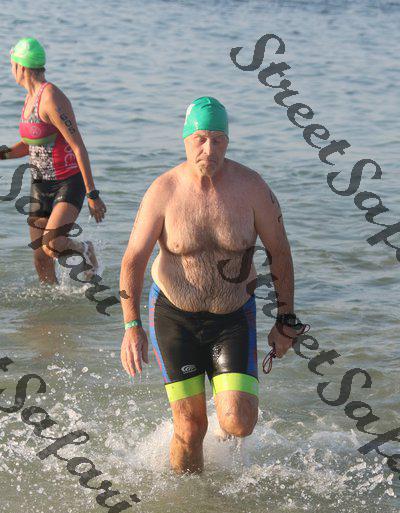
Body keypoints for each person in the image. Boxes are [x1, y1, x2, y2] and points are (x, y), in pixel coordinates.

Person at [120, 96, 302, 474]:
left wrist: (286, 320)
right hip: (174, 317)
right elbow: (132, 261)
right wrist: (131, 326)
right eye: (200, 139)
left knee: (239, 422)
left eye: (218, 140)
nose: (209, 149)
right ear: (186, 140)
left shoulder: (252, 189)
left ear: (228, 142)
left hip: (232, 317)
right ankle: (192, 501)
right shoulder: (164, 191)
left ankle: (221, 424)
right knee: (190, 428)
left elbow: (280, 253)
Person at [0, 37, 106, 284]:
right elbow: (29, 145)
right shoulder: (29, 98)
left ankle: (84, 249)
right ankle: (50, 305)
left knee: (53, 243)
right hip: (40, 185)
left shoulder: (51, 98)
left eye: (12, 64)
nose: (11, 70)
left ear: (21, 67)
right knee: (41, 258)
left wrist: (92, 194)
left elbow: (78, 147)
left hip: (67, 182)